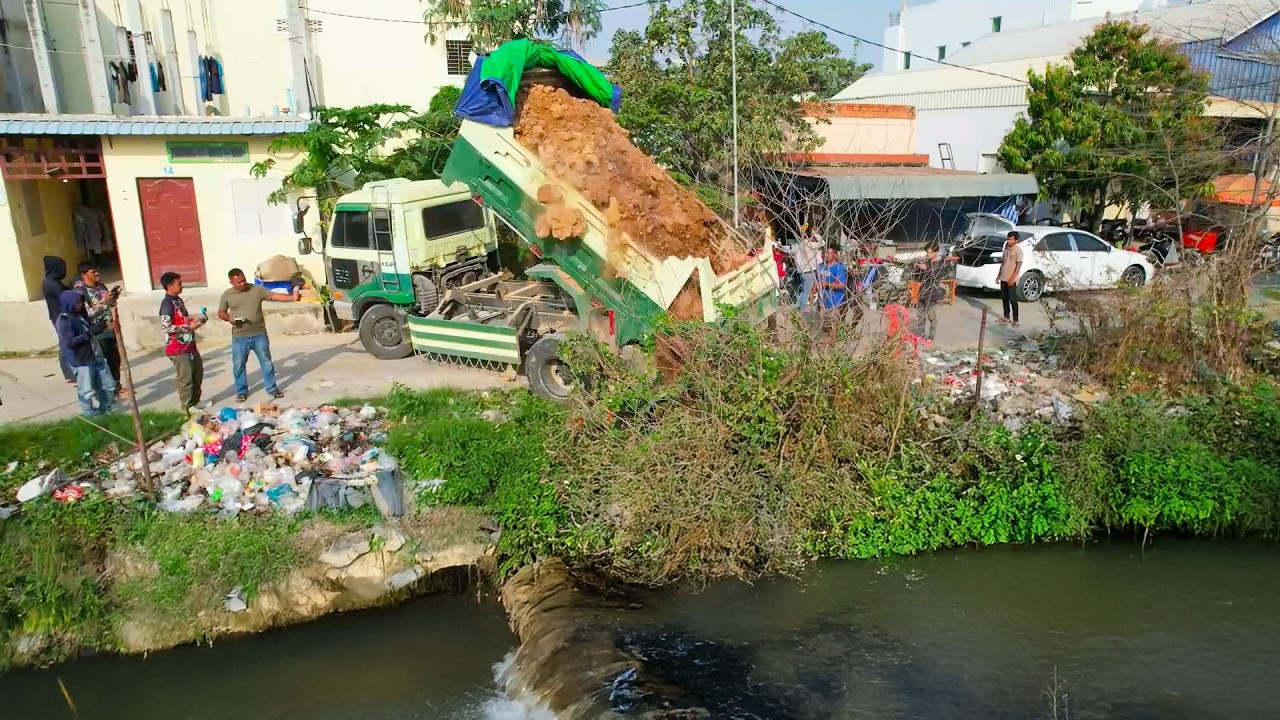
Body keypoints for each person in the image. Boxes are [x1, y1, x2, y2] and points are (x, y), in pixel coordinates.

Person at [218, 268, 299, 402]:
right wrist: (229, 318)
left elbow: (274, 296)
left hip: (259, 334)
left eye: (243, 280)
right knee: (239, 365)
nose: (242, 283)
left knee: (266, 363)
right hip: (240, 336)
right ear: (231, 282)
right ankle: (241, 391)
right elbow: (221, 313)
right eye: (238, 282)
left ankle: (272, 388)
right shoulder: (227, 295)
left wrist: (292, 298)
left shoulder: (256, 290)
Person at [55, 289, 116, 416]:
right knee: (86, 391)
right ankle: (90, 414)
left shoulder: (81, 315)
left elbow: (91, 327)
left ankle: (105, 409)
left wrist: (98, 327)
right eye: (75, 303)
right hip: (82, 360)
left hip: (96, 356)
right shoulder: (64, 320)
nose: (79, 305)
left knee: (108, 386)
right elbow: (70, 342)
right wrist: (89, 333)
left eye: (80, 302)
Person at [74, 262, 125, 396]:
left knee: (115, 359)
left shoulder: (101, 287)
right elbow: (87, 313)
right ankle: (101, 389)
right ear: (84, 275)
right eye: (93, 272)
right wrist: (104, 302)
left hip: (111, 328)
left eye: (98, 271)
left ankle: (116, 385)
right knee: (100, 362)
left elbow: (110, 305)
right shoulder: (80, 292)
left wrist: (113, 299)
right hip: (97, 332)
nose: (97, 274)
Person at [159, 272, 205, 412]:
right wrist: (188, 327)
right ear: (169, 286)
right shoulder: (166, 304)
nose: (182, 285)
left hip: (189, 345)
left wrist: (194, 321)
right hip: (178, 349)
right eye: (179, 283)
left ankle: (195, 403)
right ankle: (187, 409)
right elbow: (166, 327)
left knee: (197, 373)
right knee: (185, 380)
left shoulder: (178, 300)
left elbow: (183, 319)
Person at [41, 255, 73, 383]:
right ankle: (70, 372)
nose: (64, 270)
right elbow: (66, 297)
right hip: (60, 317)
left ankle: (68, 372)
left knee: (64, 343)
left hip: (60, 316)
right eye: (62, 267)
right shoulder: (51, 283)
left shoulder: (53, 281)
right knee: (66, 344)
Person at [909, 244, 946, 344]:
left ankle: (931, 336)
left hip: (933, 293)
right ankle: (921, 333)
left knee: (931, 316)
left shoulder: (940, 264)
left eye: (930, 252)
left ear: (936, 252)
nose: (928, 254)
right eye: (927, 252)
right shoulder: (927, 262)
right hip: (923, 291)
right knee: (921, 314)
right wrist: (917, 266)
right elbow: (918, 277)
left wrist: (927, 269)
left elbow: (937, 277)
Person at [779, 227, 823, 312]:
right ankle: (802, 309)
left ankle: (800, 306)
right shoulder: (809, 244)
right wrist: (816, 235)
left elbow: (790, 251)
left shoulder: (800, 244)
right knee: (806, 291)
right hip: (808, 271)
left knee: (803, 291)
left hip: (802, 271)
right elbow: (822, 242)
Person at [816, 246, 848, 341]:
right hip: (822, 300)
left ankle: (833, 346)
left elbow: (842, 285)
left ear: (835, 255)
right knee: (823, 326)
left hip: (835, 301)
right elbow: (817, 281)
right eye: (825, 253)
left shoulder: (839, 268)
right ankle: (825, 347)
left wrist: (828, 285)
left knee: (833, 326)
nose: (826, 255)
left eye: (828, 253)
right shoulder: (821, 266)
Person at [998, 231, 1022, 327]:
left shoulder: (1018, 251)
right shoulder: (1006, 248)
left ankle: (1015, 320)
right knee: (1004, 298)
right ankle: (1006, 317)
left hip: (1011, 278)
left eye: (1011, 239)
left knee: (1012, 299)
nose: (1008, 241)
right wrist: (998, 275)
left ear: (1016, 240)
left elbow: (1018, 266)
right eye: (1008, 239)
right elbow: (1003, 262)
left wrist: (1013, 278)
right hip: (1003, 277)